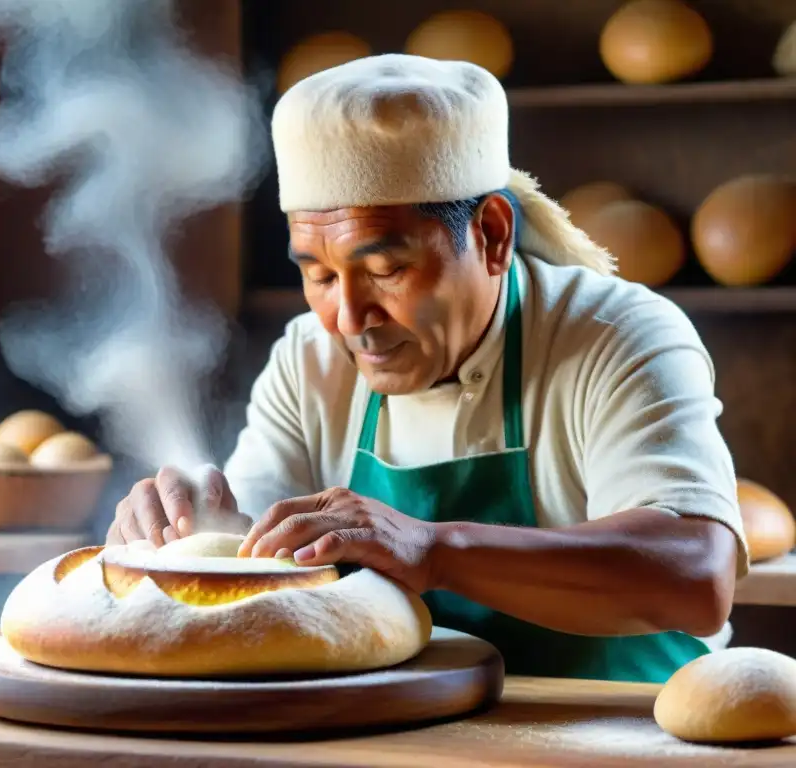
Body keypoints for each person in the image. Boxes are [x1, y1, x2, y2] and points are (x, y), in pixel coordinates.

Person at [106, 55, 748, 683]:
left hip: (624, 734)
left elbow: (696, 575)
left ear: (493, 237)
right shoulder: (310, 359)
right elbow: (253, 550)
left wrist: (433, 549)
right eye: (320, 274)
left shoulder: (616, 337)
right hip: (408, 742)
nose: (350, 319)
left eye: (387, 271)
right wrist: (186, 529)